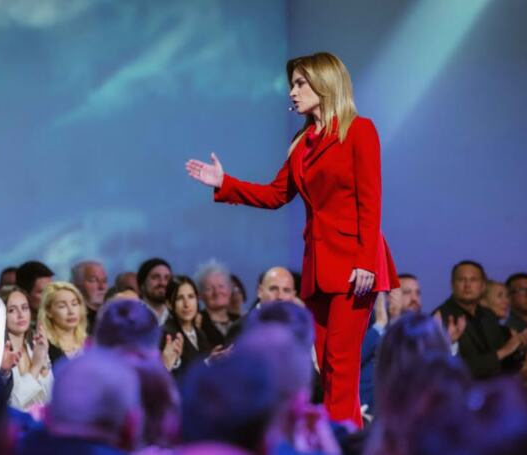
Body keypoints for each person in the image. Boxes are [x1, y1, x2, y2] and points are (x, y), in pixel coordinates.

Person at [186, 51, 399, 426]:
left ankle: (338, 439)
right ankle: (345, 436)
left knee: (341, 364)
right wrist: (225, 183)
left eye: (300, 83)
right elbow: (275, 195)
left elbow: (371, 201)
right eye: (293, 85)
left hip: (355, 265)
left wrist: (366, 261)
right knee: (327, 364)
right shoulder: (303, 143)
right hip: (318, 266)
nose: (293, 92)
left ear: (324, 83)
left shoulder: (359, 130)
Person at [434, 261, 527, 378]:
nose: (467, 285)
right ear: (452, 285)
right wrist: (503, 351)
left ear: (483, 286)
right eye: (461, 280)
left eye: (473, 280)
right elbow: (450, 369)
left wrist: (518, 349)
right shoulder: (440, 318)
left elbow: (504, 363)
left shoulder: (488, 315)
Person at [0, 286, 53, 412]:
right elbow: (12, 405)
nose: (21, 315)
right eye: (12, 310)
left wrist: (44, 366)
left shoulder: (35, 347)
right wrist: (36, 367)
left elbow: (53, 398)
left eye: (24, 308)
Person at [162, 276, 211, 377]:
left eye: (191, 297)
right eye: (179, 298)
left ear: (197, 299)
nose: (187, 304)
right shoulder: (164, 335)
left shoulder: (200, 334)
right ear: (169, 304)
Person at [37, 282, 88, 364]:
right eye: (62, 306)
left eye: (74, 304)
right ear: (48, 311)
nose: (71, 311)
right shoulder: (44, 346)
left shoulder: (91, 342)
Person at [195, 261, 240, 349]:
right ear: (200, 294)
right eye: (209, 288)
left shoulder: (240, 320)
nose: (217, 292)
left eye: (221, 286)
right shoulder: (197, 323)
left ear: (229, 289)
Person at [70, 260, 108, 333]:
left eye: (104, 281)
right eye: (93, 280)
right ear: (77, 285)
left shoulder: (112, 316)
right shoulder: (71, 319)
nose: (102, 287)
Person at [137, 258, 173, 325]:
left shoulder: (178, 317)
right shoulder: (130, 315)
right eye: (155, 277)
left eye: (167, 278)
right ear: (142, 284)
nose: (162, 283)